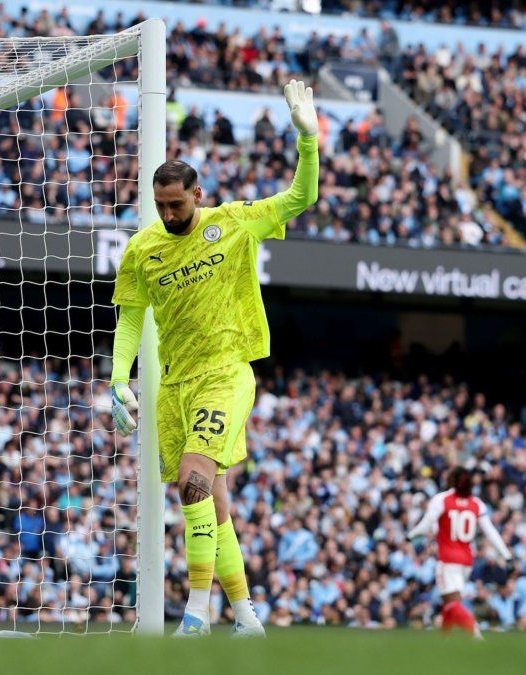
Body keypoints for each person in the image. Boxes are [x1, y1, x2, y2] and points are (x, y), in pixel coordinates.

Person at [108, 80, 319, 637]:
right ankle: (246, 617)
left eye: (177, 203)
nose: (169, 213)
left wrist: (308, 141)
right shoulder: (143, 249)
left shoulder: (234, 222)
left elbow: (301, 199)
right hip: (173, 386)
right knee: (210, 502)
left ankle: (196, 614)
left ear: (198, 195)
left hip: (225, 373)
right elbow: (131, 315)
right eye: (160, 205)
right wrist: (117, 377)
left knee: (194, 479)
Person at [407, 467, 512, 638]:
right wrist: (505, 554)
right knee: (448, 601)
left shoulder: (442, 499)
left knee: (452, 601)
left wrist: (410, 536)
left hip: (448, 558)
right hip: (466, 560)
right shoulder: (476, 503)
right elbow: (490, 532)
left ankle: (475, 632)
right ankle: (444, 638)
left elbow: (426, 525)